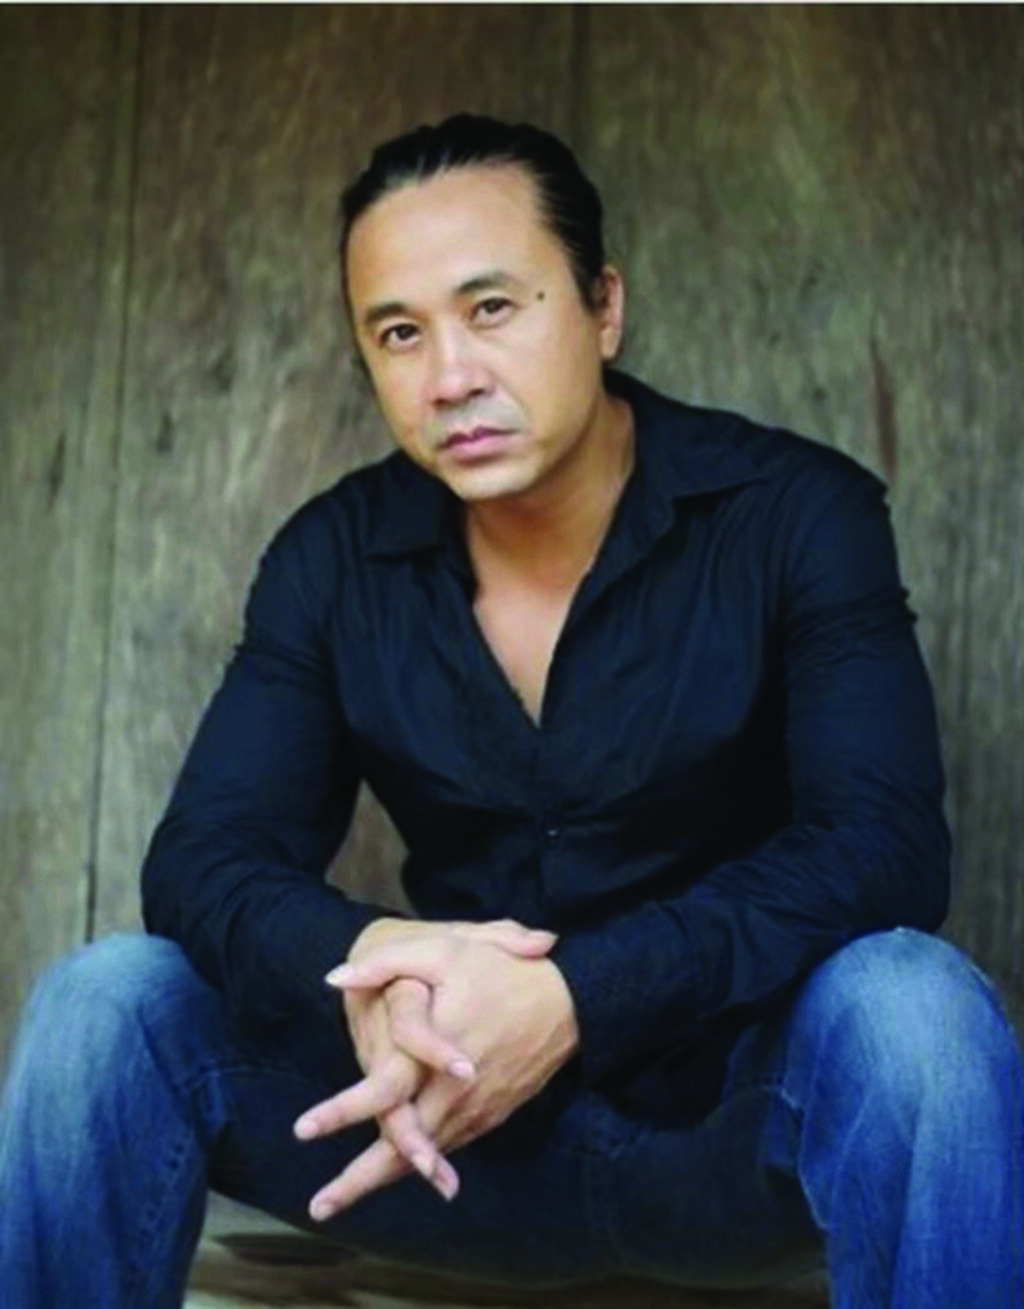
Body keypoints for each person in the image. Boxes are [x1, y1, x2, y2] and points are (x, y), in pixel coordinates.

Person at [1, 113, 1021, 1309]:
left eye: (491, 308)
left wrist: (576, 997)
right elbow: (203, 861)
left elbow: (882, 847)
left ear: (603, 306)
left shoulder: (795, 513)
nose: (450, 377)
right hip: (431, 1142)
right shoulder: (334, 558)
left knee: (914, 1011)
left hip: (722, 1139)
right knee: (107, 1001)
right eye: (399, 332)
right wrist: (372, 961)